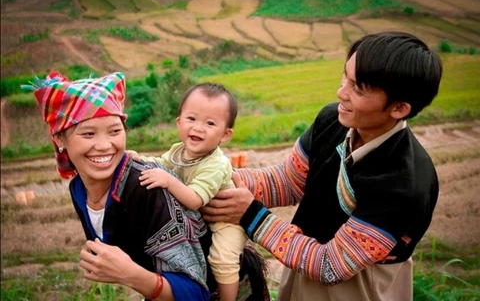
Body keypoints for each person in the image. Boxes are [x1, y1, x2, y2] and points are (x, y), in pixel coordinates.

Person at [201, 31, 442, 301]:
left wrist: (251, 216)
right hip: (302, 260)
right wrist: (215, 177)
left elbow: (330, 265)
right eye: (345, 78)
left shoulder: (404, 184)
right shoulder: (333, 120)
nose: (342, 93)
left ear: (399, 108)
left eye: (358, 89)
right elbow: (288, 182)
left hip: (359, 287)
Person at [22, 72, 268, 301]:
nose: (104, 145)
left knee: (223, 260)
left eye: (114, 131)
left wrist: (132, 275)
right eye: (88, 134)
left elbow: (195, 290)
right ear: (59, 138)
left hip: (220, 281)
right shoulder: (78, 188)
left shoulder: (149, 188)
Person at [134, 83, 248, 301]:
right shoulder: (179, 151)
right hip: (200, 221)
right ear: (179, 122)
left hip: (226, 222)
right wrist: (140, 160)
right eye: (191, 119)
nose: (198, 128)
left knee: (222, 259)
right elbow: (161, 163)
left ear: (225, 134)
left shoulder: (216, 164)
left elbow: (195, 199)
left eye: (210, 123)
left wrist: (168, 181)